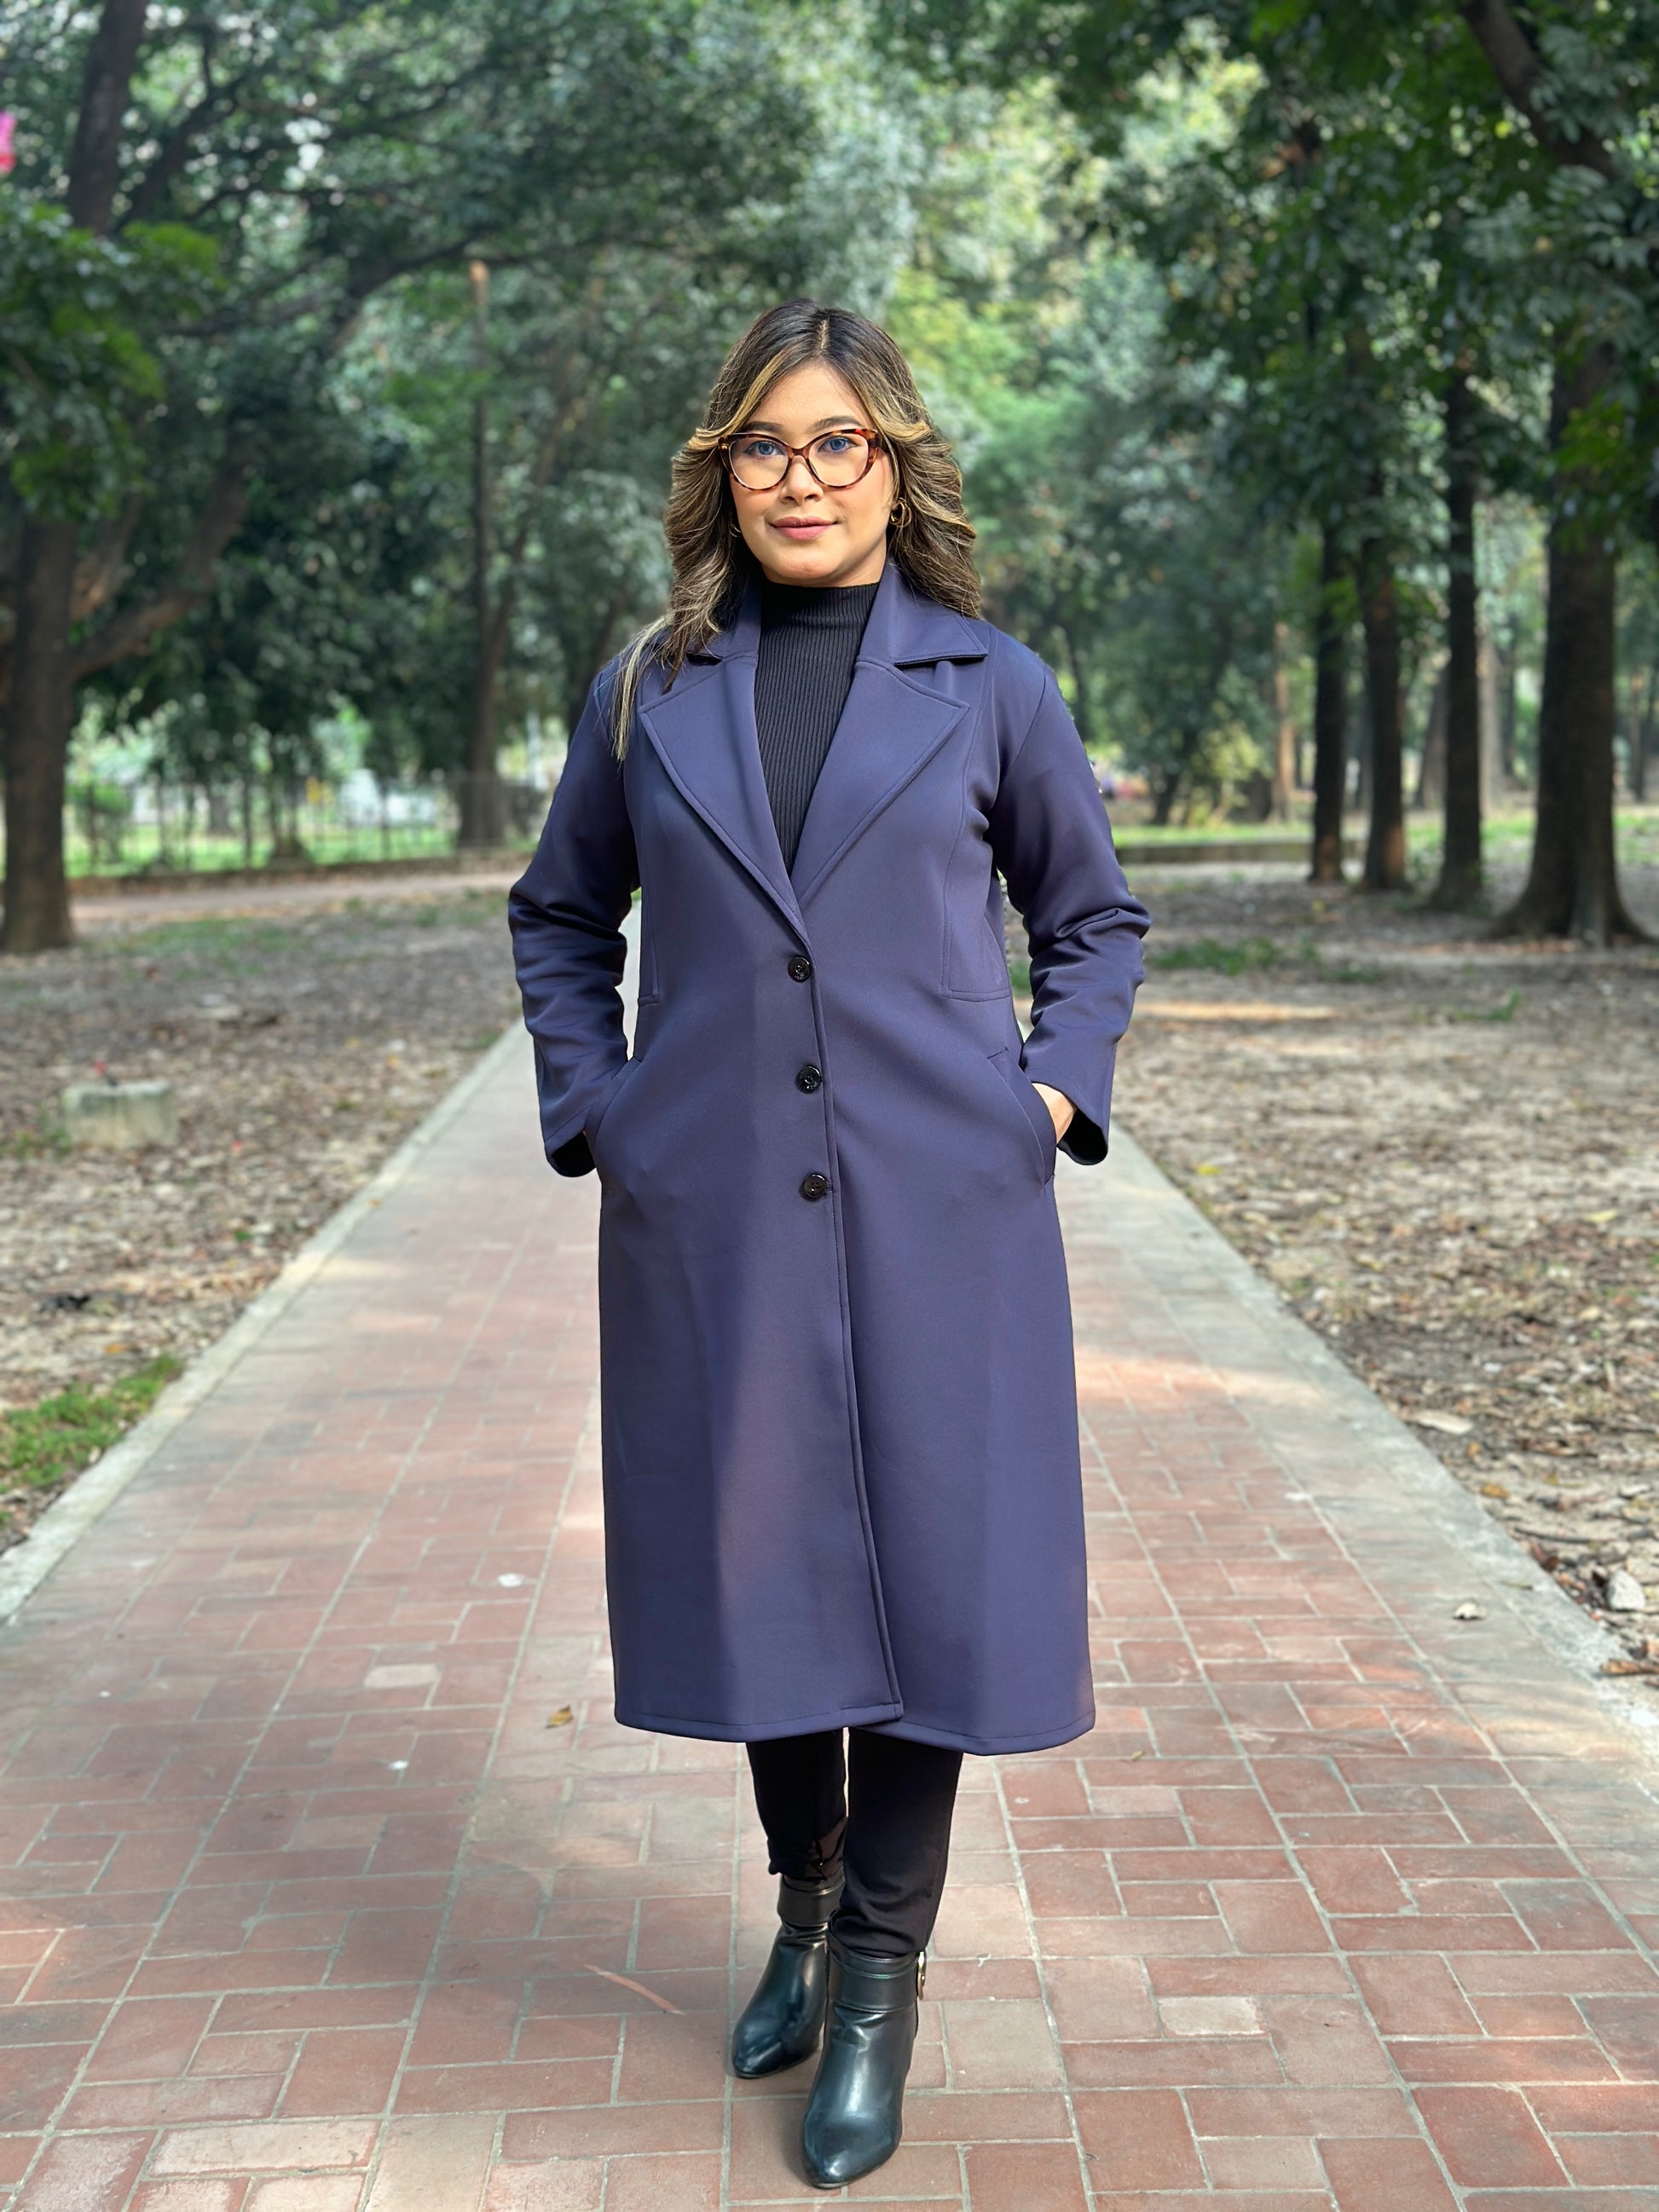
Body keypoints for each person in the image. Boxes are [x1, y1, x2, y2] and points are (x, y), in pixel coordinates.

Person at [508, 298, 1148, 2189]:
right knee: (764, 1570)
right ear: (723, 469)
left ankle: (876, 1980)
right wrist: (602, 1107)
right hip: (713, 1217)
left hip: (940, 1212)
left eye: (838, 443)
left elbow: (1093, 921)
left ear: (894, 467)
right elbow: (560, 915)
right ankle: (802, 1902)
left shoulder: (992, 684)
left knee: (933, 1588)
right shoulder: (647, 689)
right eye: (766, 445)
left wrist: (1043, 1095)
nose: (803, 475)